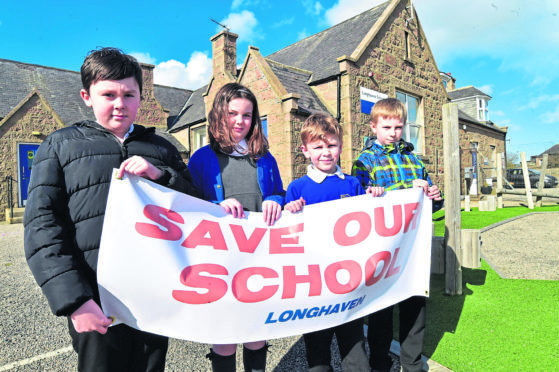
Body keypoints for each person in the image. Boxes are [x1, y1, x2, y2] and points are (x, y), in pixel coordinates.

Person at [23, 47, 197, 372]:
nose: (120, 104)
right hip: (97, 300)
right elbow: (43, 228)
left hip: (153, 294)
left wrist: (160, 176)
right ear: (87, 96)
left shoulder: (162, 149)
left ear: (140, 98)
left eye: (129, 94)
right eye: (108, 94)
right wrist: (75, 301)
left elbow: (195, 207)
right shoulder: (60, 146)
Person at [188, 82, 285, 372]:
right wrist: (213, 207)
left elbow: (280, 192)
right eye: (232, 113)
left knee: (256, 333)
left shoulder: (265, 158)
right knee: (225, 336)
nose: (240, 121)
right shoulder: (202, 158)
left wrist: (274, 200)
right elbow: (187, 203)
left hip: (258, 259)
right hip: (220, 261)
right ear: (219, 115)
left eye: (247, 115)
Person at [352, 98, 443, 372]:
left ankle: (412, 364)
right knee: (381, 312)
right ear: (374, 126)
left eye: (399, 126)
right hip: (382, 250)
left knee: (415, 309)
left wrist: (435, 196)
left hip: (413, 249)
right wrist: (406, 187)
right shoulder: (364, 162)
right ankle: (380, 364)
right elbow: (360, 203)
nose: (393, 132)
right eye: (387, 126)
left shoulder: (415, 161)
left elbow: (430, 204)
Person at [284, 113, 370, 372]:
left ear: (341, 147)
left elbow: (370, 226)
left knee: (356, 354)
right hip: (315, 288)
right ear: (305, 150)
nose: (325, 152)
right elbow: (288, 236)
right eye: (318, 147)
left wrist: (376, 198)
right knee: (318, 356)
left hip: (349, 286)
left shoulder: (354, 184)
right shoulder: (297, 188)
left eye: (331, 145)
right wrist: (289, 210)